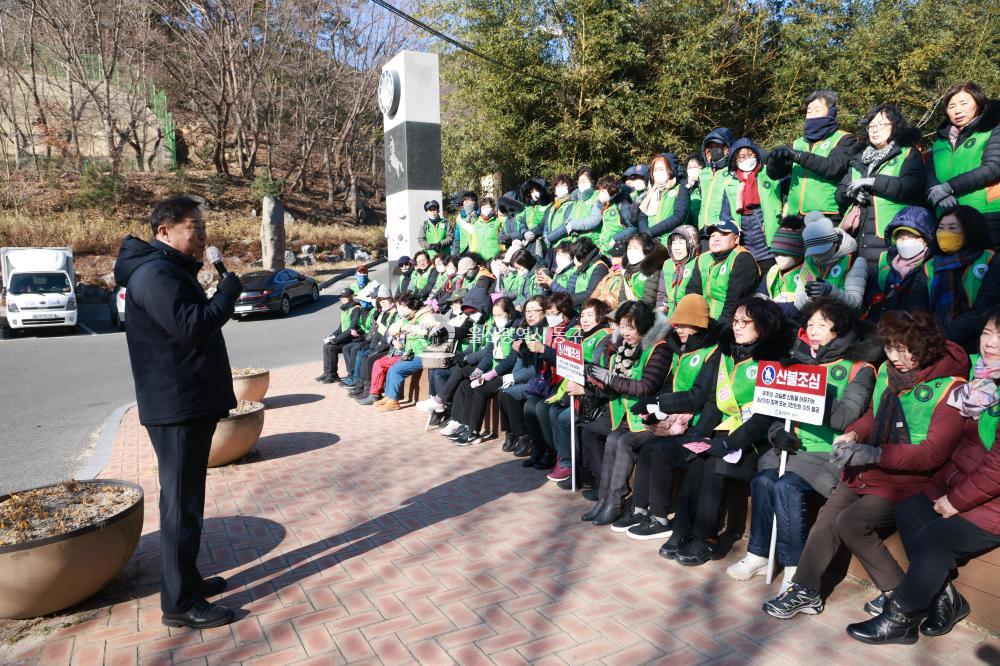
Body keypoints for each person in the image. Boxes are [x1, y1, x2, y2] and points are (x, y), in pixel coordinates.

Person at [763, 311, 968, 621]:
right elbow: (874, 414)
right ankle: (805, 589)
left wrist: (873, 454)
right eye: (890, 347)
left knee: (852, 521)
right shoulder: (887, 371)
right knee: (829, 516)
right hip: (871, 465)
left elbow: (932, 454)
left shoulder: (951, 388)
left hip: (913, 479)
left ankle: (899, 595)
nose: (896, 357)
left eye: (905, 349)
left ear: (926, 346)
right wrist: (854, 433)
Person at [113, 196, 242, 628]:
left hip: (187, 400)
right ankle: (180, 603)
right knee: (180, 505)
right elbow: (193, 326)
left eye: (203, 226)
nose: (202, 234)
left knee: (188, 500)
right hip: (177, 405)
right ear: (164, 231)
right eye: (193, 227)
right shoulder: (155, 274)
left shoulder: (168, 270)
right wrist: (225, 294)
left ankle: (186, 579)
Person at [846, 308, 1000, 645]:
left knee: (936, 538)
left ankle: (901, 617)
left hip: (993, 500)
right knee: (910, 509)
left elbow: (997, 469)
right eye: (988, 332)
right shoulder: (982, 378)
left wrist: (955, 500)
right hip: (963, 479)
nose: (991, 343)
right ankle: (947, 599)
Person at [727, 299, 880, 587]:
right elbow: (774, 412)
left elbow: (847, 415)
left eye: (822, 324)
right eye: (809, 324)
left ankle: (796, 569)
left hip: (827, 452)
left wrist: (810, 394)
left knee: (786, 487)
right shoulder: (795, 359)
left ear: (839, 329)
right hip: (791, 448)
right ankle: (758, 554)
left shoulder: (859, 367)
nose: (813, 330)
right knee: (763, 481)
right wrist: (776, 435)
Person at [659, 298, 794, 566]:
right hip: (724, 430)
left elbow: (765, 417)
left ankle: (705, 537)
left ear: (764, 326)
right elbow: (712, 401)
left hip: (755, 440)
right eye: (735, 321)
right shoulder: (727, 353)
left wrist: (732, 443)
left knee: (715, 463)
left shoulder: (775, 361)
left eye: (745, 322)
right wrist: (700, 433)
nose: (737, 327)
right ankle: (682, 529)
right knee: (696, 456)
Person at [621, 294, 722, 541]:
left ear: (699, 324)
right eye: (677, 324)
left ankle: (660, 518)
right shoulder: (683, 349)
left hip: (702, 426)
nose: (679, 329)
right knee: (648, 447)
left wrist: (659, 402)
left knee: (659, 451)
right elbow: (673, 384)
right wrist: (654, 406)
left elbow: (698, 396)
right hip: (680, 420)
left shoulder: (713, 352)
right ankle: (640, 509)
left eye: (685, 324)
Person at [580, 301, 672, 526]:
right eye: (622, 326)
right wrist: (597, 379)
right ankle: (604, 499)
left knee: (622, 442)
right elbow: (619, 386)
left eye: (631, 327)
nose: (625, 332)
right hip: (626, 414)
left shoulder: (659, 348)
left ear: (643, 326)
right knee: (611, 437)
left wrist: (610, 378)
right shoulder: (623, 348)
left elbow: (645, 387)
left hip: (653, 418)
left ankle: (616, 502)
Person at [837, 104, 926, 263]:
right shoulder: (857, 159)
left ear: (895, 126)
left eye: (881, 124)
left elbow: (912, 186)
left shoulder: (907, 153)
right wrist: (850, 194)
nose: (875, 129)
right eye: (871, 126)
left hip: (892, 235)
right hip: (859, 237)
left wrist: (872, 182)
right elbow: (839, 194)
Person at [538, 298, 612, 483]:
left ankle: (574, 467)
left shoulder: (604, 337)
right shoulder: (580, 334)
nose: (585, 319)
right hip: (573, 388)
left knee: (565, 418)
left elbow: (598, 371)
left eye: (590, 315)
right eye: (583, 315)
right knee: (552, 410)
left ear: (600, 317)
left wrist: (583, 388)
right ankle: (564, 460)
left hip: (593, 397)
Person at [927, 83, 1000, 246]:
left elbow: (993, 167)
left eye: (964, 103)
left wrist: (947, 187)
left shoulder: (993, 130)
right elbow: (929, 175)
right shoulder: (939, 143)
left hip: (986, 215)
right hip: (946, 220)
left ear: (978, 103)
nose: (957, 110)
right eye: (951, 106)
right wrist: (936, 196)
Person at [768, 89, 858, 220]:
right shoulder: (798, 142)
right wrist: (775, 160)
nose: (811, 115)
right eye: (809, 111)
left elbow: (834, 168)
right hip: (794, 215)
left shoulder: (844, 139)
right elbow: (774, 175)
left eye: (817, 110)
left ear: (831, 113)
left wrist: (799, 156)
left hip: (826, 215)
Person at [444, 297, 521, 446]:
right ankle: (465, 425)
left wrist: (488, 375)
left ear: (509, 314)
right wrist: (478, 371)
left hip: (506, 372)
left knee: (479, 389)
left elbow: (510, 360)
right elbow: (488, 355)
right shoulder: (495, 328)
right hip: (493, 368)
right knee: (466, 384)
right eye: (495, 315)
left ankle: (474, 432)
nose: (496, 319)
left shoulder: (517, 329)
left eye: (500, 315)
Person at [926, 206, 999, 351]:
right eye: (941, 228)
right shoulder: (930, 265)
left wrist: (941, 338)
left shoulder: (991, 260)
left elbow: (983, 309)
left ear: (970, 230)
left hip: (977, 342)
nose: (945, 233)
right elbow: (916, 305)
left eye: (952, 228)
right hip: (931, 342)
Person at [496, 296, 550, 455]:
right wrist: (512, 378)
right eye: (528, 311)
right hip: (529, 378)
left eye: (535, 311)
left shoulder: (547, 332)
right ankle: (511, 432)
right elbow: (519, 361)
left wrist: (515, 378)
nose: (531, 314)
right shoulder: (524, 330)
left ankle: (524, 435)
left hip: (542, 380)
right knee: (503, 391)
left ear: (545, 312)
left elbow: (538, 367)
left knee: (511, 393)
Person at [864, 206, 936, 322]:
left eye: (911, 237)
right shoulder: (885, 263)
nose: (905, 242)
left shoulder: (932, 266)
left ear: (926, 239)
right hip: (884, 326)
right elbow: (873, 289)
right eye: (901, 238)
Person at [725, 138, 782, 275]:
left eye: (750, 155)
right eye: (742, 157)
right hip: (744, 247)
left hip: (769, 246)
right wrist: (732, 224)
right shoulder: (730, 184)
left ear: (757, 155)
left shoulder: (769, 175)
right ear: (735, 160)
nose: (747, 159)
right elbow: (725, 213)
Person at [686, 220, 761, 322]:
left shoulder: (742, 258)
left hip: (732, 323)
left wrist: (719, 330)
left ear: (736, 239)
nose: (716, 239)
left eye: (723, 235)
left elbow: (734, 302)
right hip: (702, 321)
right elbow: (692, 294)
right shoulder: (703, 258)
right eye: (713, 236)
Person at [794, 212, 867, 310]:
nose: (817, 256)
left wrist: (830, 292)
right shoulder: (809, 261)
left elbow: (856, 303)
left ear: (834, 244)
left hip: (844, 322)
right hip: (815, 321)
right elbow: (797, 304)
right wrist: (810, 295)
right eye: (814, 252)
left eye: (822, 251)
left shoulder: (854, 261)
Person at [637, 153, 690, 243]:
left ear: (670, 170)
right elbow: (642, 216)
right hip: (650, 241)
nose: (657, 173)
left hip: (671, 241)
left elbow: (678, 217)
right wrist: (645, 233)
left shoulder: (680, 189)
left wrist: (651, 232)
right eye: (655, 170)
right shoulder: (651, 192)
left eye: (661, 169)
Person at [316, 288, 361, 383]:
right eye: (342, 297)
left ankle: (333, 375)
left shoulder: (355, 309)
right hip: (344, 338)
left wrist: (336, 340)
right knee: (326, 346)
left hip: (351, 339)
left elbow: (351, 329)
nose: (343, 298)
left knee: (332, 347)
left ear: (351, 297)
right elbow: (340, 329)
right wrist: (330, 337)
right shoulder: (344, 310)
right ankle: (328, 372)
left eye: (345, 297)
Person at [654, 225, 699, 315]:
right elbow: (662, 293)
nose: (676, 248)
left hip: (690, 316)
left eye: (681, 243)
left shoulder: (698, 263)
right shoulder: (668, 264)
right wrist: (661, 307)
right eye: (674, 243)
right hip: (670, 316)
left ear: (691, 243)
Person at [696, 128, 736, 229]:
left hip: (723, 226)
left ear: (727, 148)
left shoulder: (732, 172)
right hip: (702, 225)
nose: (714, 150)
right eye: (711, 147)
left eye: (718, 146)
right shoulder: (703, 173)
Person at [763, 219, 805, 305]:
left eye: (783, 254)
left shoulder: (809, 272)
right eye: (776, 254)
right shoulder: (773, 272)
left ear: (798, 254)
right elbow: (761, 293)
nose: (778, 258)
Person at [595, 175, 635, 252]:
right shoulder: (608, 205)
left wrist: (615, 238)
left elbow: (633, 228)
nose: (600, 194)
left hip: (617, 250)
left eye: (602, 191)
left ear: (610, 190)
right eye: (599, 191)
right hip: (605, 249)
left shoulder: (622, 205)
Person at [517, 177, 552, 259]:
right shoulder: (529, 208)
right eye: (532, 191)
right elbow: (522, 223)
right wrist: (524, 233)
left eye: (537, 190)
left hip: (541, 243)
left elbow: (544, 223)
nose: (534, 194)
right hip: (528, 242)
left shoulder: (549, 206)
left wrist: (531, 233)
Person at [467, 196, 502, 261]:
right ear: (481, 209)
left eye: (488, 207)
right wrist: (472, 255)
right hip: (479, 258)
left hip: (495, 258)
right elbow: (473, 241)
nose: (486, 209)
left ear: (492, 208)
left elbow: (502, 242)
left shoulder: (498, 222)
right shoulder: (476, 224)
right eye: (484, 207)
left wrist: (502, 255)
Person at [452, 190, 478, 255]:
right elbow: (457, 236)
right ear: (462, 204)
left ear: (476, 203)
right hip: (463, 249)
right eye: (466, 202)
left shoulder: (480, 216)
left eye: (472, 201)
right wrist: (455, 252)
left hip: (477, 249)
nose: (469, 204)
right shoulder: (460, 218)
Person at [685, 152, 706, 225]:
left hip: (703, 226)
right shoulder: (685, 186)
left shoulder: (707, 184)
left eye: (695, 167)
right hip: (688, 226)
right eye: (689, 167)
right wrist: (687, 188)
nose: (692, 169)